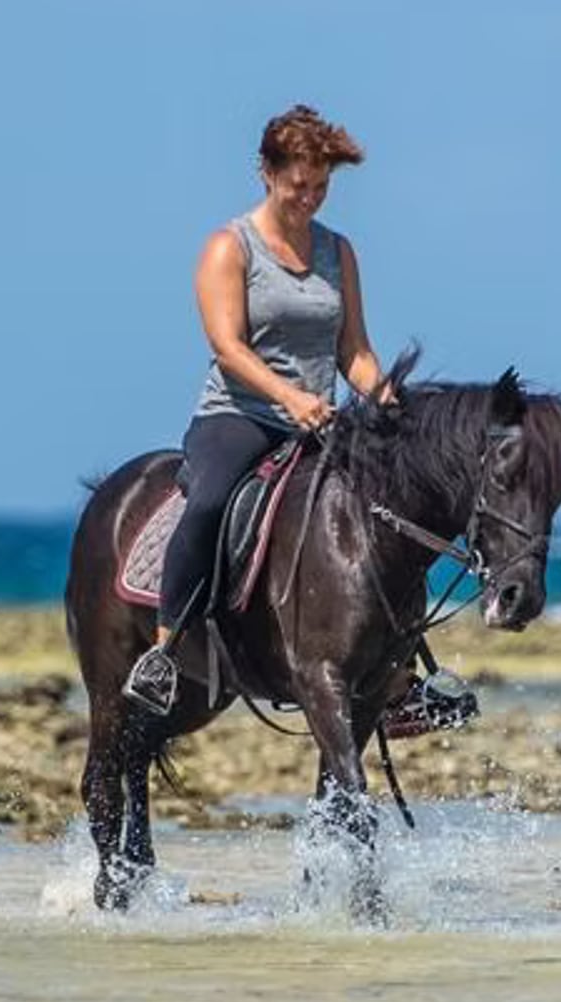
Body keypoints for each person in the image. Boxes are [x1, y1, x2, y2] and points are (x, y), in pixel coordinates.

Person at [124, 105, 393, 714]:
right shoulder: (230, 246)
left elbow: (354, 351)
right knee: (212, 499)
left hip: (318, 419)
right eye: (300, 185)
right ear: (267, 173)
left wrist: (384, 397)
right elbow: (227, 346)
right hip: (240, 415)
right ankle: (164, 651)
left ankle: (401, 674)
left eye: (322, 188)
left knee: (391, 504)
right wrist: (291, 397)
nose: (311, 199)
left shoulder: (338, 251)